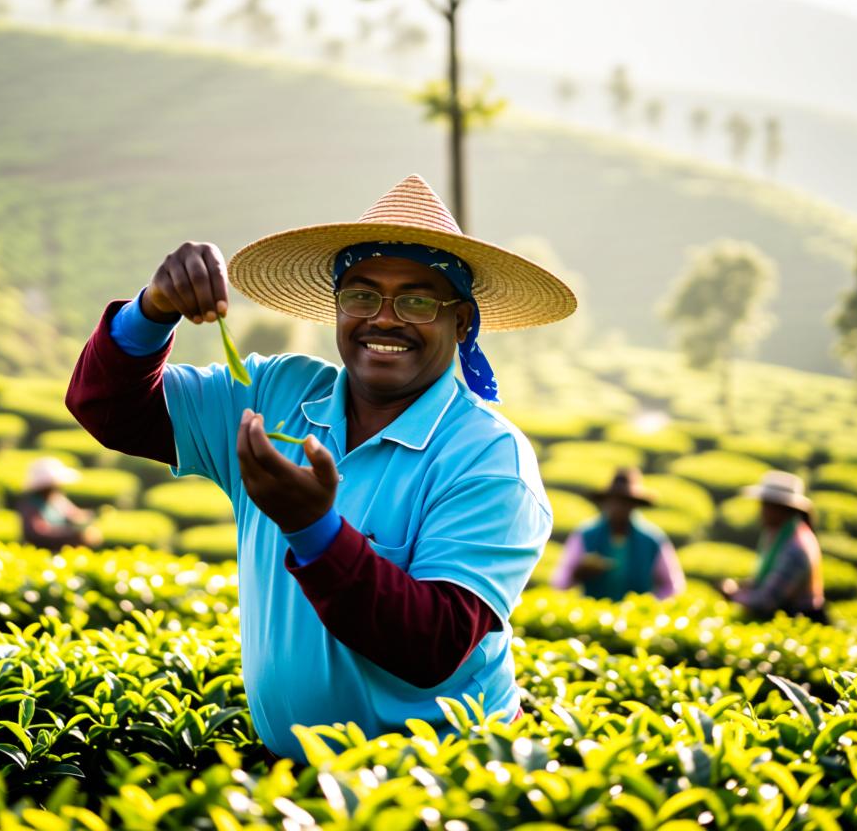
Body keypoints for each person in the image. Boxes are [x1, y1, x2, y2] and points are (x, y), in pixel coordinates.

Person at [66, 175, 576, 762]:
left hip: (438, 785)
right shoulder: (277, 393)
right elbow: (110, 409)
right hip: (294, 781)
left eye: (417, 300)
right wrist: (152, 310)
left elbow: (434, 644)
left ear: (461, 323)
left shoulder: (487, 457)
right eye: (361, 295)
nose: (384, 319)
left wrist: (314, 529)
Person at [551, 467, 685, 601]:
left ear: (634, 505)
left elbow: (673, 586)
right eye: (615, 501)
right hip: (596, 616)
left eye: (625, 502)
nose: (618, 508)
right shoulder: (586, 534)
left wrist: (651, 604)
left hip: (636, 618)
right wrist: (577, 574)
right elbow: (560, 582)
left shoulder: (652, 539)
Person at [719, 470, 826, 621]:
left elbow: (768, 600)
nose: (760, 511)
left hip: (798, 620)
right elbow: (766, 579)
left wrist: (734, 596)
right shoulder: (777, 535)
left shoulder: (796, 546)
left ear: (780, 509)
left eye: (765, 506)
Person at [16, 456, 102, 550]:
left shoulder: (57, 499)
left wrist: (89, 520)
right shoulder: (30, 504)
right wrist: (74, 535)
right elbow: (37, 533)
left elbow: (75, 515)